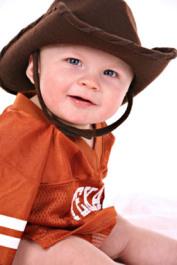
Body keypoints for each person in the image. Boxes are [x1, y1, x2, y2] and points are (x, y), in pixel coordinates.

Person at [0, 0, 177, 264]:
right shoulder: (18, 132)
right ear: (33, 69)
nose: (90, 82)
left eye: (109, 72)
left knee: (123, 232)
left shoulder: (98, 131)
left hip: (70, 220)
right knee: (71, 253)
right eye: (74, 61)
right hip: (23, 233)